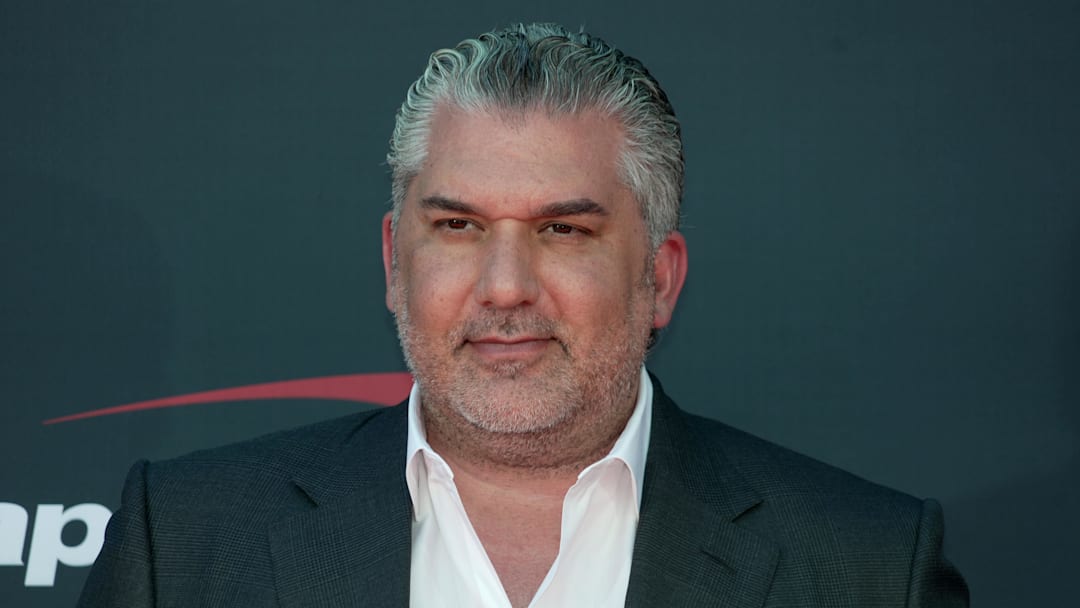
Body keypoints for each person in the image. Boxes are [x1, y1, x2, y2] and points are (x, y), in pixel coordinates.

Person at [78, 23, 969, 607]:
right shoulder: (185, 545)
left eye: (564, 229)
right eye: (458, 226)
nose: (506, 287)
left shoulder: (867, 570)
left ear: (660, 276)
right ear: (395, 262)